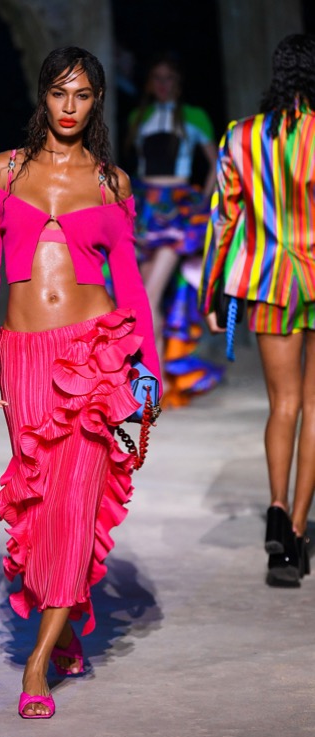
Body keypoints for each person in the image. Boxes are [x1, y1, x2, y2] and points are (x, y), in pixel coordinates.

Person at [0, 47, 161, 719]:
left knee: (76, 502)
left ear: (97, 100)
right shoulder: (4, 170)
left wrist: (147, 369)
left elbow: (129, 283)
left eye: (82, 94)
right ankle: (68, 624)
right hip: (22, 354)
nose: (70, 106)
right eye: (59, 92)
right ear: (43, 96)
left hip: (92, 353)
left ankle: (36, 662)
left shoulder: (111, 183)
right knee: (40, 502)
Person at [203, 33, 315, 588]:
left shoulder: (241, 136)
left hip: (269, 282)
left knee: (283, 405)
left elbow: (223, 219)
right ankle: (296, 532)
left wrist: (213, 291)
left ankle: (275, 509)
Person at [125, 54, 222, 408]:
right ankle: (154, 377)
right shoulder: (139, 117)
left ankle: (157, 381)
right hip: (144, 209)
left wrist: (202, 203)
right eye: (157, 77)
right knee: (140, 297)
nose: (162, 84)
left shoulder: (194, 116)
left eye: (168, 77)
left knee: (148, 296)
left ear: (178, 82)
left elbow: (216, 163)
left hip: (177, 209)